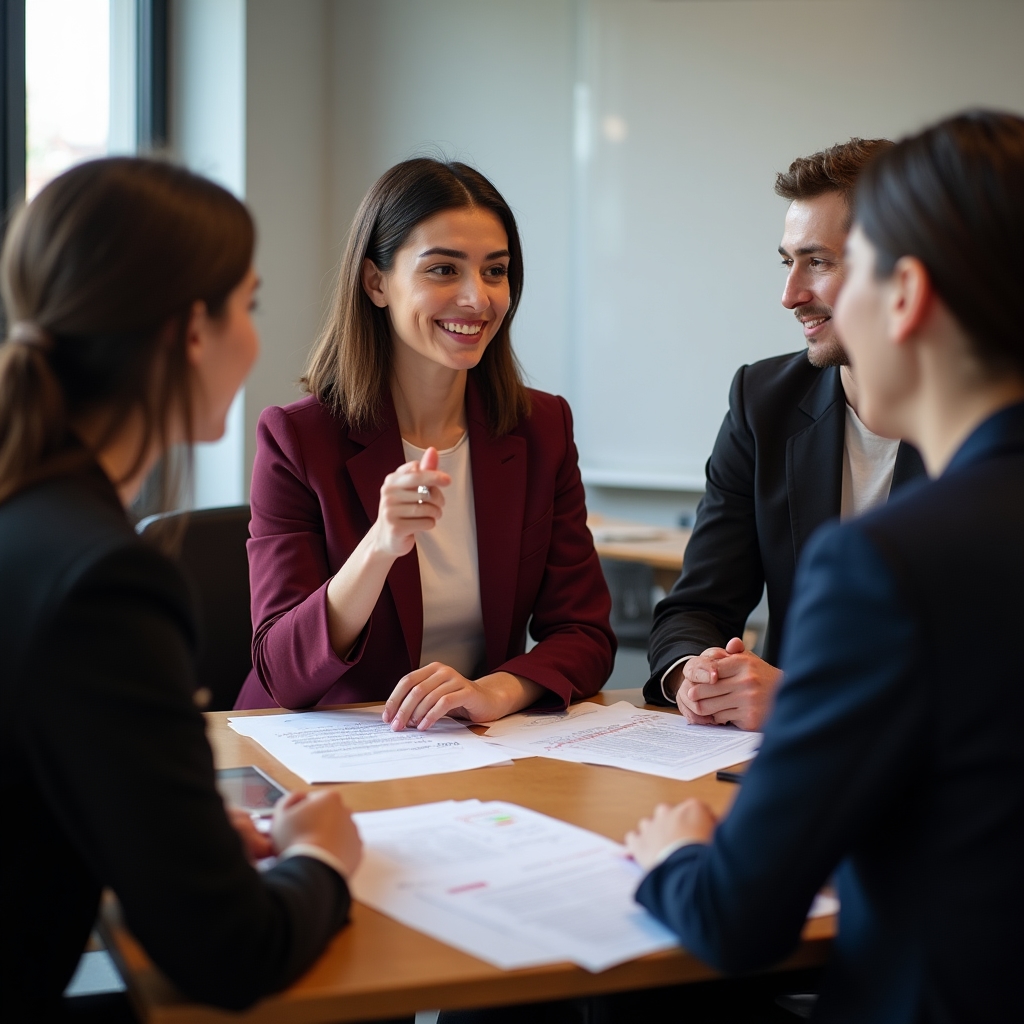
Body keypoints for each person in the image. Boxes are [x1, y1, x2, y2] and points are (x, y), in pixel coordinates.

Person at [627, 109, 1024, 1022]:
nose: (796, 297)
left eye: (840, 268)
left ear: (905, 293)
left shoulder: (893, 564)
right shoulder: (765, 400)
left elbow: (734, 920)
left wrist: (677, 852)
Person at [0, 159, 370, 1021]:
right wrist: (319, 858)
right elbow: (231, 953)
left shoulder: (30, 519)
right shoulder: (106, 582)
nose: (255, 338)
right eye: (250, 304)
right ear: (188, 332)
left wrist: (179, 835)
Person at [236, 159, 615, 728]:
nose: (476, 298)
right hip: (328, 747)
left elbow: (584, 633)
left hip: (470, 745)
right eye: (443, 269)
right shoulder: (298, 439)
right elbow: (282, 672)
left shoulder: (542, 428)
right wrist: (380, 545)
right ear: (376, 282)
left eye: (495, 271)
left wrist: (497, 690)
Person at [645, 138, 926, 730]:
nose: (790, 294)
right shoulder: (763, 402)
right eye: (787, 262)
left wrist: (807, 697)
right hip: (788, 763)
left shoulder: (987, 420)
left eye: (818, 262)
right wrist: (695, 673)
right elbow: (697, 606)